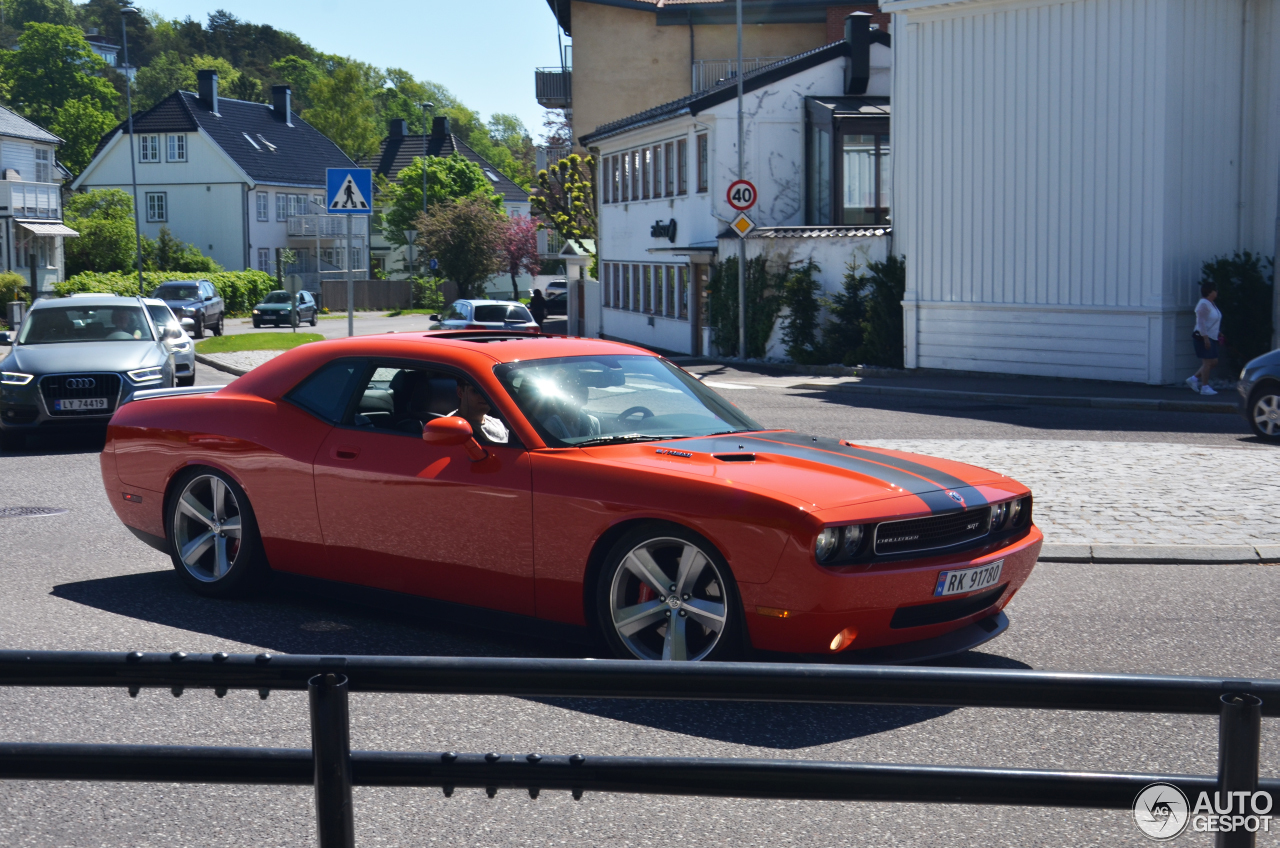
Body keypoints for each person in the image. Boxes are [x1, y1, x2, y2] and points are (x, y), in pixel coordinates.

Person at [1186, 281, 1222, 396]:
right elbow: (1201, 323)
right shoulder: (1203, 304)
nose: (1216, 292)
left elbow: (1211, 320)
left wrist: (1219, 332)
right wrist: (1206, 339)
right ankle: (1205, 387)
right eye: (1215, 290)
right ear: (1209, 292)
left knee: (1214, 362)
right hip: (1202, 337)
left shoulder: (1211, 303)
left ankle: (1194, 379)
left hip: (1212, 336)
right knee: (1207, 362)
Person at [449, 379, 508, 444]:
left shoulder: (499, 423)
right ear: (460, 392)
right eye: (476, 391)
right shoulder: (450, 428)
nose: (484, 396)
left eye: (489, 391)